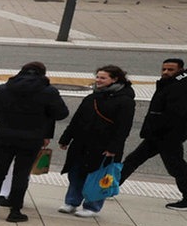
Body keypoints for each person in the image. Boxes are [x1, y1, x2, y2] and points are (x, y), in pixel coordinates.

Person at [0, 62, 69, 222]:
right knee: (21, 174)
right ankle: (14, 211)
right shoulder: (49, 92)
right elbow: (61, 113)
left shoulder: (3, 89)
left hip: (4, 137)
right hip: (31, 139)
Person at [57, 64, 136, 217]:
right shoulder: (92, 97)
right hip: (81, 143)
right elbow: (77, 119)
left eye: (103, 78)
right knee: (76, 172)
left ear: (114, 79)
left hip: (104, 145)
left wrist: (113, 147)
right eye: (98, 77)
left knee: (98, 176)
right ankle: (71, 202)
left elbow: (123, 128)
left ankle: (92, 206)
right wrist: (66, 138)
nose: (98, 80)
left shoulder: (125, 101)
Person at [118, 57, 187, 209]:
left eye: (170, 70)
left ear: (180, 70)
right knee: (133, 160)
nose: (166, 72)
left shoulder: (179, 87)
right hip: (157, 134)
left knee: (176, 167)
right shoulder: (169, 84)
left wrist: (165, 131)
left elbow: (176, 114)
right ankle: (110, 187)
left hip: (168, 136)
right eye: (164, 69)